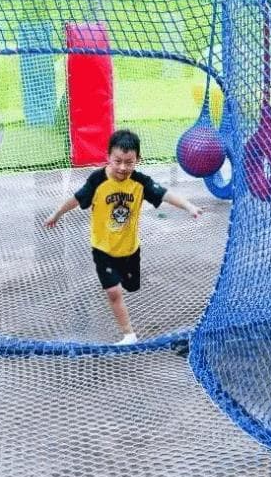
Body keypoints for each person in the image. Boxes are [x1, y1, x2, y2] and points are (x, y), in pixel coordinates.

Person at [44, 129, 202, 345]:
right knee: (113, 292)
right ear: (108, 157)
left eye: (129, 162)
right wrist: (57, 214)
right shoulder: (97, 180)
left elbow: (165, 194)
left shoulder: (140, 182)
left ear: (138, 159)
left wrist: (189, 206)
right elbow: (76, 199)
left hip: (129, 249)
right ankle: (129, 335)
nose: (122, 167)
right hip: (103, 249)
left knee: (131, 287)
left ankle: (123, 286)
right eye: (117, 161)